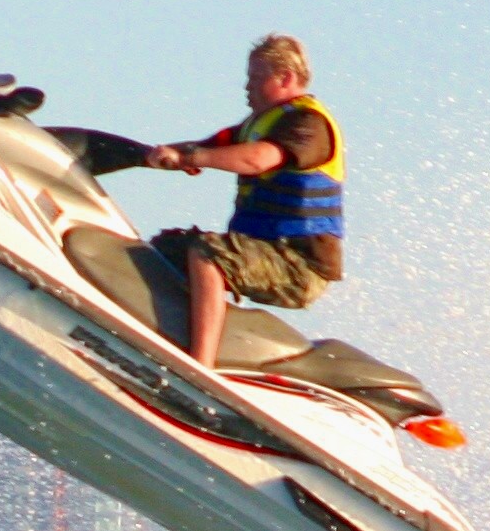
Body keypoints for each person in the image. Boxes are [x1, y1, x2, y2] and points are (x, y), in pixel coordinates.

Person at [137, 32, 346, 366]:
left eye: (256, 78)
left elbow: (257, 159)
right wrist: (159, 154)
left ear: (286, 78)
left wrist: (193, 159)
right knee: (167, 249)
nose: (247, 86)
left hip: (299, 264)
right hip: (264, 250)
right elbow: (206, 147)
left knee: (208, 253)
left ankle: (200, 367)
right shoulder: (257, 125)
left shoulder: (308, 124)